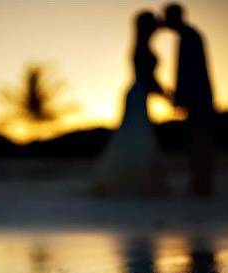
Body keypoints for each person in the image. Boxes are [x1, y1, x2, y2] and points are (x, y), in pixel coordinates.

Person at [92, 11, 172, 195]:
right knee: (136, 135)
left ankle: (140, 178)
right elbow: (148, 78)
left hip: (139, 93)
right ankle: (136, 179)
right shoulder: (141, 48)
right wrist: (166, 95)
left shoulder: (142, 45)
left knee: (136, 134)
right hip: (138, 93)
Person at [161, 3, 216, 197]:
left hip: (198, 99)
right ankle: (200, 182)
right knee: (197, 140)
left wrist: (182, 97)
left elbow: (190, 72)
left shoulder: (189, 37)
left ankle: (202, 184)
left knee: (199, 140)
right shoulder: (189, 35)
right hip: (198, 98)